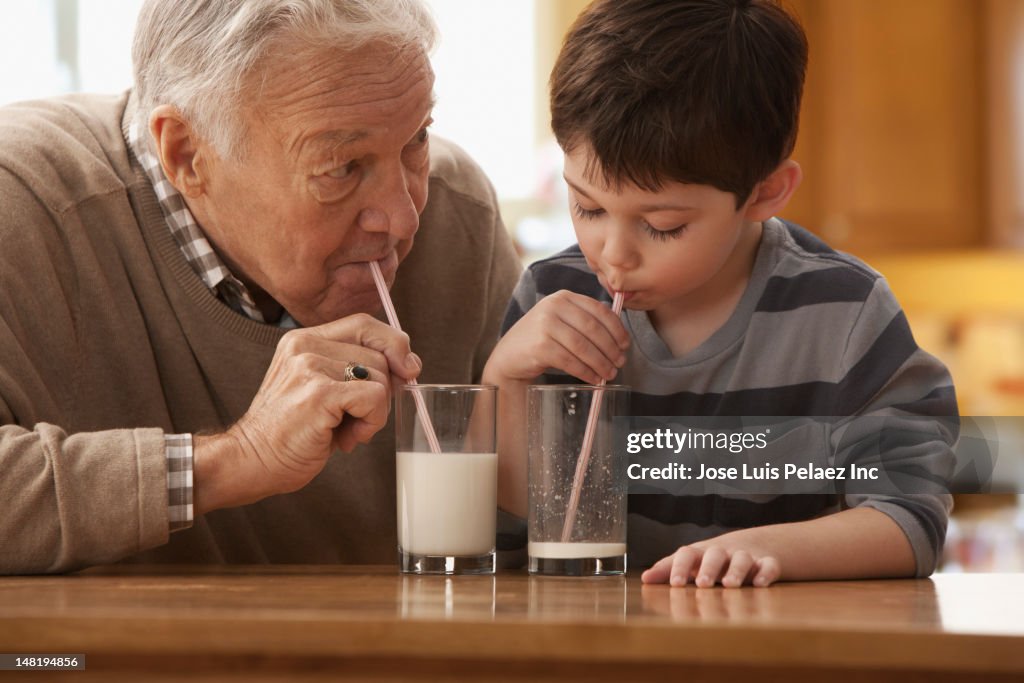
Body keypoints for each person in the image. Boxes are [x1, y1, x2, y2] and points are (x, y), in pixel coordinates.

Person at [0, 0, 521, 574]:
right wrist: (236, 458)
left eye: (417, 138)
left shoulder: (457, 210)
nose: (403, 218)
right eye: (342, 168)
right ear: (187, 154)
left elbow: (563, 507)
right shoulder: (22, 208)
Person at [484, 0, 957, 587]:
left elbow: (910, 522)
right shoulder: (551, 297)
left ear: (764, 193)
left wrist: (767, 548)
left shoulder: (844, 314)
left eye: (662, 225)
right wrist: (505, 382)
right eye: (587, 207)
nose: (612, 254)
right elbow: (512, 538)